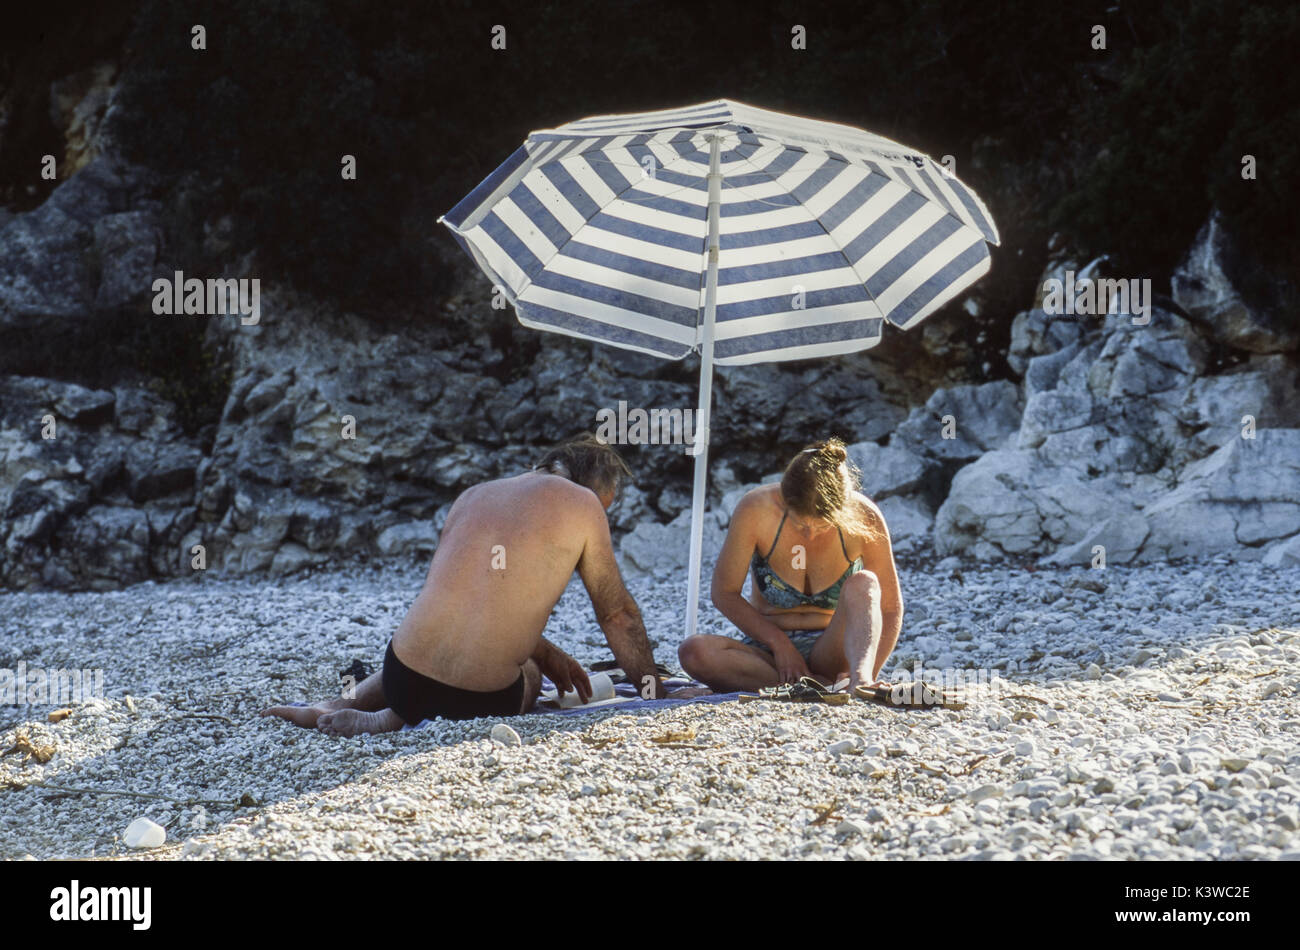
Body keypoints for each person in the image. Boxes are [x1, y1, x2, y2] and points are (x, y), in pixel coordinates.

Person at [263, 434, 667, 735]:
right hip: (474, 702)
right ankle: (387, 719)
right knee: (526, 672)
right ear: (592, 488)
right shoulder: (581, 503)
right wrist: (654, 694)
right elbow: (618, 615)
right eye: (606, 505)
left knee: (434, 642)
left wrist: (548, 649)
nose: (603, 515)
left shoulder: (474, 494)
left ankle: (356, 708)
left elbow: (467, 602)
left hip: (401, 674)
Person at [678, 438, 902, 693]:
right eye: (801, 524)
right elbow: (724, 593)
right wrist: (780, 644)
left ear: (843, 510)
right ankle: (818, 687)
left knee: (866, 583)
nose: (810, 535)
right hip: (768, 653)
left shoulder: (865, 515)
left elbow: (889, 608)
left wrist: (865, 671)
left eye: (822, 526)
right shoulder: (755, 508)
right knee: (693, 651)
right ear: (784, 500)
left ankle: (855, 683)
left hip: (831, 649)